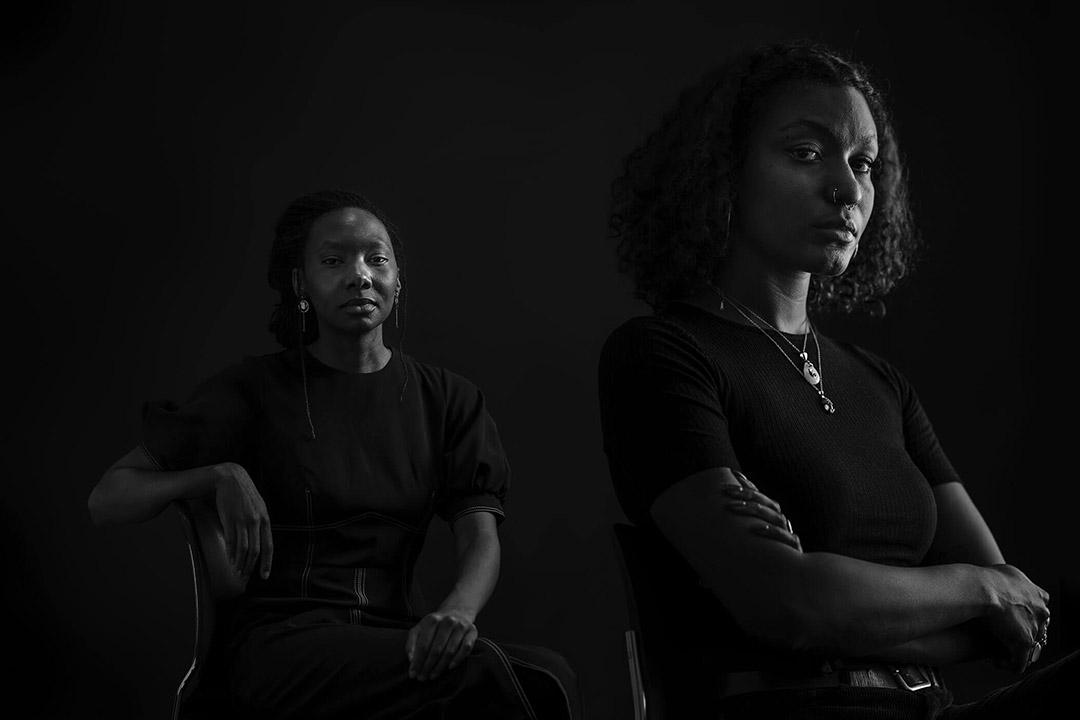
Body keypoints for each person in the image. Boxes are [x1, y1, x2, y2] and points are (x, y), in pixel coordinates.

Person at [597, 40, 1075, 718]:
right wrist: (971, 587)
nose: (848, 189)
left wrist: (857, 601)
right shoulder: (662, 357)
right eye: (805, 152)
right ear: (722, 169)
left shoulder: (879, 382)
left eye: (863, 164)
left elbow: (1013, 620)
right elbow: (789, 606)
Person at [89, 189, 580, 720]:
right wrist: (215, 475)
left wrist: (457, 613)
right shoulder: (254, 391)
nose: (359, 275)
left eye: (377, 258)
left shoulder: (448, 399)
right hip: (283, 646)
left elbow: (479, 532)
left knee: (550, 674)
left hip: (400, 636)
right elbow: (107, 499)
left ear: (398, 277)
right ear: (301, 284)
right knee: (494, 677)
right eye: (333, 260)